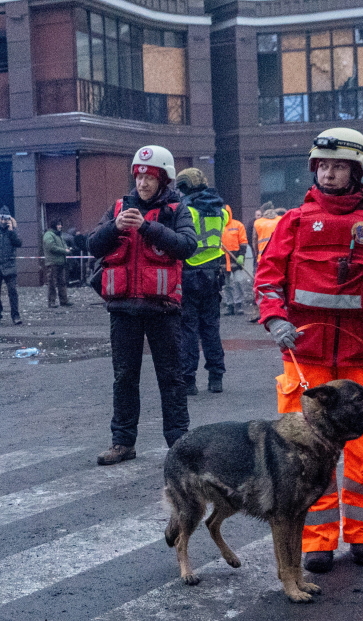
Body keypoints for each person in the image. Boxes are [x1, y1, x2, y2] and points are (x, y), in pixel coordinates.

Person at [256, 128, 363, 571]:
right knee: (305, 455)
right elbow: (268, 278)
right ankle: (317, 540)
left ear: (357, 171)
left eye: (338, 166)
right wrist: (275, 319)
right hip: (306, 356)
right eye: (322, 166)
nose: (328, 174)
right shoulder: (294, 221)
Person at [88, 145, 196, 465]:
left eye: (150, 177)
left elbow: (187, 246)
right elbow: (93, 245)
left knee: (171, 377)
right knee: (124, 378)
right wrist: (115, 226)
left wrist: (147, 228)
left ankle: (179, 443)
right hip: (123, 309)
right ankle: (123, 443)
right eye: (139, 176)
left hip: (163, 309)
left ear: (164, 179)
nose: (143, 183)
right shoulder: (119, 207)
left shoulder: (177, 209)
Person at [174, 168, 228, 395]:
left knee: (189, 330)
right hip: (213, 275)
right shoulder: (221, 211)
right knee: (211, 328)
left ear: (184, 187)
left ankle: (189, 380)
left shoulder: (187, 211)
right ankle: (216, 378)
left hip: (190, 274)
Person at [221, 210, 249, 316]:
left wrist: (242, 255)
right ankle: (230, 305)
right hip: (223, 260)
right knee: (226, 284)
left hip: (236, 259)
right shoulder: (218, 225)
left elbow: (243, 241)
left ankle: (238, 304)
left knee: (238, 281)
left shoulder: (238, 225)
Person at [42, 219, 71, 307]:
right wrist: (65, 251)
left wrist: (66, 249)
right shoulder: (49, 235)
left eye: (60, 224)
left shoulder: (57, 235)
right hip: (52, 263)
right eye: (58, 224)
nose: (60, 226)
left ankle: (64, 301)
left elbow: (63, 245)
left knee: (62, 282)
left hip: (60, 262)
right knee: (52, 283)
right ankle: (52, 302)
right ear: (54, 225)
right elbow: (52, 247)